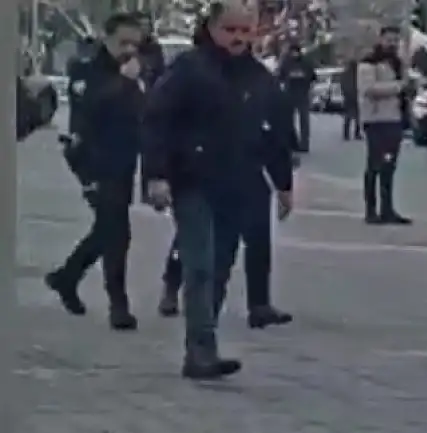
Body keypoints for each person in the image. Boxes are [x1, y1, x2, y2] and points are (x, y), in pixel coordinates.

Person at [140, 1, 296, 380]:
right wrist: (156, 175)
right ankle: (201, 349)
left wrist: (283, 184)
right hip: (193, 179)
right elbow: (157, 120)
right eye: (230, 29)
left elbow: (275, 133)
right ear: (211, 27)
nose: (238, 38)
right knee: (199, 265)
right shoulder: (189, 69)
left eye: (246, 30)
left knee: (221, 265)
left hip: (238, 183)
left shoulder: (260, 78)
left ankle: (202, 349)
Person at [47, 12, 147, 331]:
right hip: (92, 159)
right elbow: (91, 108)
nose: (129, 49)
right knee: (116, 231)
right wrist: (126, 82)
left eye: (136, 43)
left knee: (109, 228)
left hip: (123, 161)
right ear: (107, 38)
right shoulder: (87, 69)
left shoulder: (138, 69)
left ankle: (67, 277)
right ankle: (118, 305)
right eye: (123, 43)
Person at [357, 27, 410, 224]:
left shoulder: (397, 64)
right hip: (375, 120)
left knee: (389, 166)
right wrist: (398, 86)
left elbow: (404, 85)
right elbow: (368, 89)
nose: (393, 44)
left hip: (394, 120)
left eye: (396, 40)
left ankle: (388, 209)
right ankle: (370, 210)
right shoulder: (368, 62)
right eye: (389, 40)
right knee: (374, 165)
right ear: (380, 40)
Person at [275, 42, 316, 154]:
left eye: (296, 52)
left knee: (304, 120)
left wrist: (304, 77)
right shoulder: (286, 62)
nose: (294, 54)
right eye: (292, 52)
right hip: (290, 94)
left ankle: (304, 144)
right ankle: (292, 142)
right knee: (289, 120)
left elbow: (313, 76)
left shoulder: (306, 62)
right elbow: (279, 76)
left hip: (302, 93)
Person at [339, 62, 360, 141]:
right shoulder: (358, 74)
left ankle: (346, 134)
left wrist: (344, 93)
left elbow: (342, 85)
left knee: (348, 116)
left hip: (348, 97)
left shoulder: (344, 74)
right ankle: (357, 134)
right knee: (358, 116)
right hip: (356, 96)